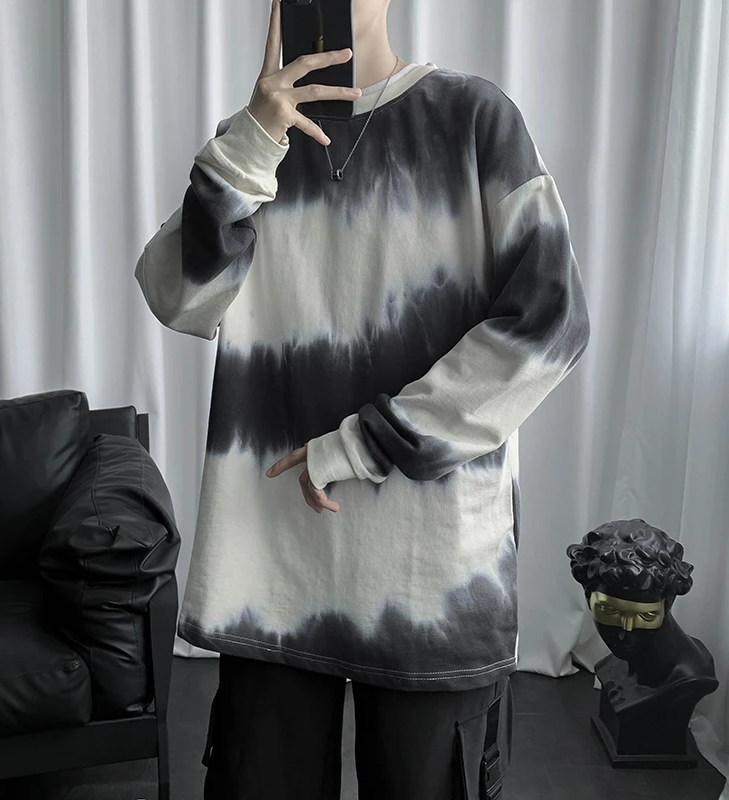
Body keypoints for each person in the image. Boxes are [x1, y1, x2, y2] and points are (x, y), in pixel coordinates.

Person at [134, 0, 591, 797]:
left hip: (430, 569)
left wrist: (369, 440)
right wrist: (252, 140)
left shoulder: (475, 119)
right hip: (272, 560)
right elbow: (178, 297)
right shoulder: (257, 142)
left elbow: (551, 321)